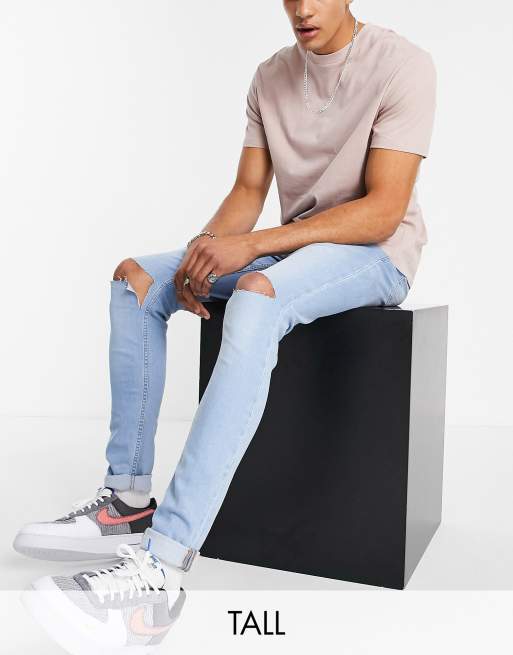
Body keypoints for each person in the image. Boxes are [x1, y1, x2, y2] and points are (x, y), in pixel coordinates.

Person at [14, 1, 437, 647]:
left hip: (376, 255)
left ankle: (161, 570)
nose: (301, 9)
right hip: (296, 247)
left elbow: (383, 210)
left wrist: (253, 247)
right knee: (136, 280)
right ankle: (126, 501)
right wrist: (204, 251)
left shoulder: (403, 64)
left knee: (258, 295)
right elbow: (247, 191)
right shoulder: (270, 75)